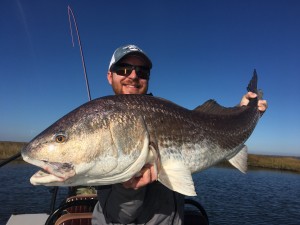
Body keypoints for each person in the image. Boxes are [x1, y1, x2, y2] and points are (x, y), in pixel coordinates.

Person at [92, 44, 268, 225]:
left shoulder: (165, 111)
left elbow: (207, 124)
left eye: (142, 71)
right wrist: (128, 189)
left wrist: (243, 111)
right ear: (109, 76)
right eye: (124, 69)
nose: (134, 76)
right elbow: (117, 217)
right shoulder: (100, 126)